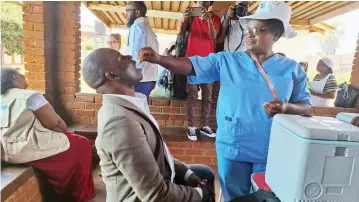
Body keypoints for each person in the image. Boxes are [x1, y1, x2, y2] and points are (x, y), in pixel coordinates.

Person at [138, 1, 312, 201]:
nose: (250, 34)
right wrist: (160, 59)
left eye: (259, 30)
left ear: (277, 35)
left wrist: (286, 107)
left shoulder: (291, 69)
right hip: (233, 146)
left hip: (271, 149)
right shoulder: (227, 60)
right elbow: (191, 65)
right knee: (233, 197)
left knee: (266, 197)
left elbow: (305, 105)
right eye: (249, 29)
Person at [81, 48, 215, 202]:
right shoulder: (119, 122)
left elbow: (161, 155)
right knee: (205, 186)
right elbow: (156, 195)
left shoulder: (131, 105)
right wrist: (201, 194)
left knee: (204, 173)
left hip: (159, 183)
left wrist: (188, 175)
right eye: (121, 58)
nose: (130, 56)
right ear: (112, 75)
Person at [0, 67, 95, 202]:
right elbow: (53, 122)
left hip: (7, 153)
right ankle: (79, 193)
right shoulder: (30, 95)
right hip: (30, 147)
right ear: (15, 77)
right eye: (21, 74)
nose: (24, 77)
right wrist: (66, 132)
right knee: (82, 143)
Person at [181, 1, 220, 141]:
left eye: (206, 1)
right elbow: (181, 32)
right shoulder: (191, 15)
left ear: (210, 3)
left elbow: (213, 36)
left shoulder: (215, 18)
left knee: (208, 97)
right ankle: (191, 127)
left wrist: (209, 21)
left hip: (208, 63)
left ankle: (204, 125)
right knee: (192, 96)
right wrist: (183, 18)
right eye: (200, 1)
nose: (203, 2)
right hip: (191, 61)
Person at [125, 1, 159, 103]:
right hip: (147, 78)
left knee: (135, 111)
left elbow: (136, 56)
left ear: (137, 13)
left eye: (127, 10)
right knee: (142, 110)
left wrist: (127, 78)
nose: (125, 14)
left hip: (139, 79)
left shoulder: (137, 27)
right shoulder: (147, 28)